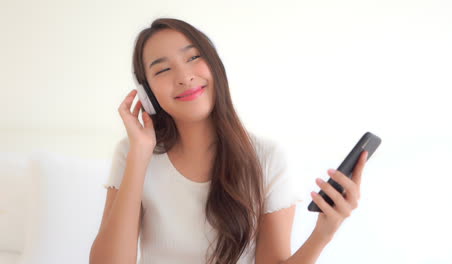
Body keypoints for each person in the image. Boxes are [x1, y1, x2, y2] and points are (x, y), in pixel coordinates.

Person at [89, 17, 368, 264]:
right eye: (162, 70)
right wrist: (140, 154)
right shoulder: (132, 153)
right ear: (146, 93)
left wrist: (323, 234)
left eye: (193, 58)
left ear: (215, 66)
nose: (184, 77)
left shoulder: (267, 158)